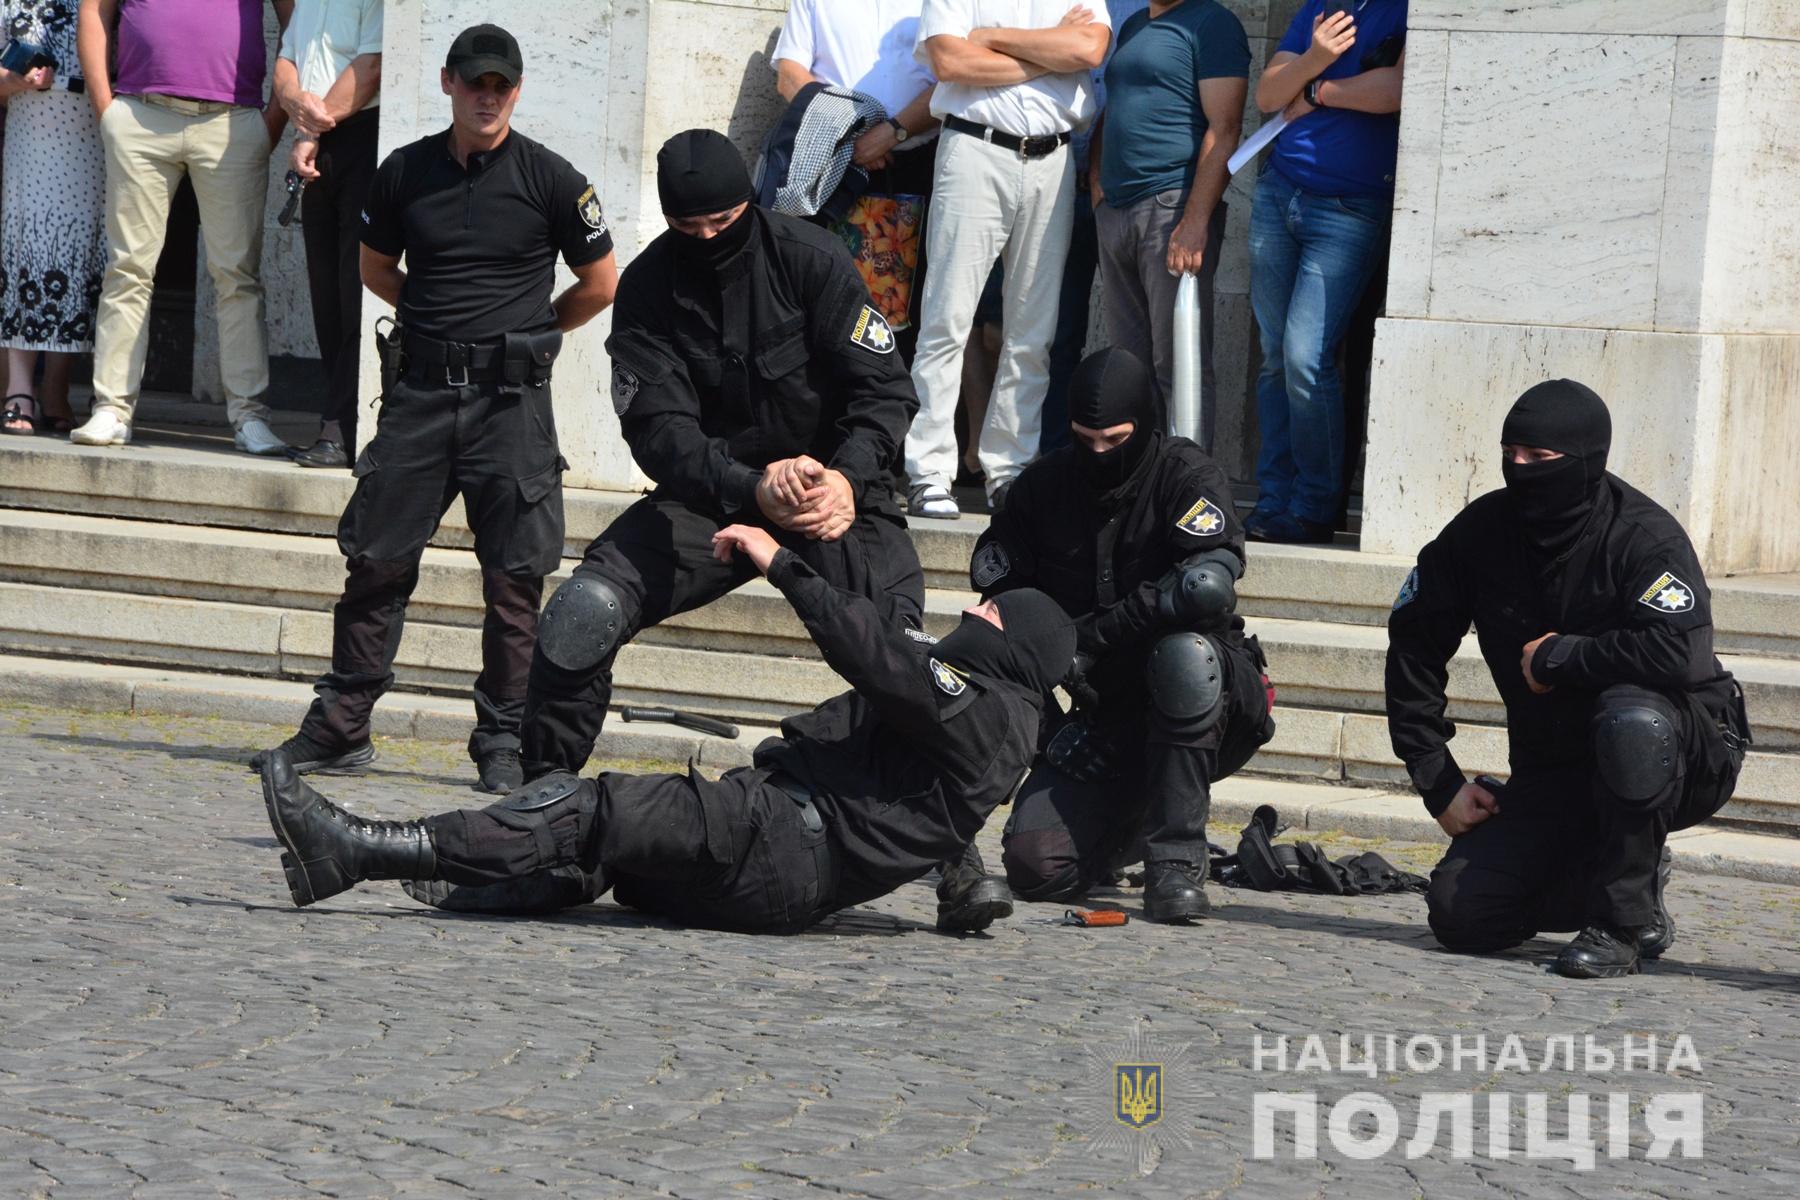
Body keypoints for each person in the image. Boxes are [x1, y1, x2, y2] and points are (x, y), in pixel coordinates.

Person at [258, 523, 1077, 937]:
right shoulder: (997, 720)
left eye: (986, 610)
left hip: (779, 841)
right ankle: (475, 879)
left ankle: (359, 848)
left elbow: (874, 652)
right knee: (613, 854)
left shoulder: (980, 706)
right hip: (783, 862)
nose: (969, 611)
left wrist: (777, 561)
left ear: (1011, 643)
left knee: (593, 811)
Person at [249, 24, 618, 793]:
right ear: (448, 83)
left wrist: (533, 331)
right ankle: (342, 726)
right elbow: (377, 269)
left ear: (516, 91)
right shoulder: (403, 172)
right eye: (475, 82)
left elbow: (600, 283)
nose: (488, 96)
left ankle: (504, 741)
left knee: (515, 580)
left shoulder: (554, 179)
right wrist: (438, 326)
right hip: (419, 395)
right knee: (376, 562)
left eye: (501, 85)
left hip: (511, 404)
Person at [1386, 380, 1751, 979]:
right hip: (1555, 767)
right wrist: (1438, 779)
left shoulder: (1641, 537)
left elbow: (1683, 654)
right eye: (1512, 453)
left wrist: (1565, 656)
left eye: (1541, 458)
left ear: (1587, 461)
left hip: (1682, 755)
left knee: (1632, 718)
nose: (1521, 469)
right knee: (1462, 913)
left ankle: (1621, 924)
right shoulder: (1480, 534)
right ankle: (1624, 878)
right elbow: (1413, 645)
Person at [971, 347, 1275, 921]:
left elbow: (1207, 586)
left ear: (1145, 423)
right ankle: (1130, 821)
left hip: (1209, 694)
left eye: (1115, 439)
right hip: (1101, 710)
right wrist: (1050, 730)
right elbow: (1003, 615)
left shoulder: (1185, 475)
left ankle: (1177, 863)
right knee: (1038, 867)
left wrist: (1090, 640)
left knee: (1184, 655)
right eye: (1086, 439)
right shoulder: (1041, 490)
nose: (1100, 453)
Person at [903, 0, 1111, 518]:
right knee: (946, 321)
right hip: (974, 149)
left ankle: (1010, 471)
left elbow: (1088, 47)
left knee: (1033, 332)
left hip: (1054, 157)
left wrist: (992, 35)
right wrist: (1049, 53)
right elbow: (950, 63)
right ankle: (928, 471)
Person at [71, 0, 292, 454]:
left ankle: (249, 416)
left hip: (232, 121)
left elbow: (297, 23)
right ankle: (111, 408)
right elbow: (94, 10)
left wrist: (274, 116)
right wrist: (106, 109)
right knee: (128, 269)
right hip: (139, 114)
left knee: (238, 276)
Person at [1246, 0, 1406, 543]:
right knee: (1275, 357)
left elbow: (1395, 91)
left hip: (1350, 205)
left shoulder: (1407, 9)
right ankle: (1274, 501)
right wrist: (1317, 55)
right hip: (1280, 191)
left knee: (1305, 358)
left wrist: (1315, 88)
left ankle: (1314, 507)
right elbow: (1268, 95)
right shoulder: (1321, 6)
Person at [1089, 0, 1247, 451]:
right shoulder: (1137, 23)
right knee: (1129, 365)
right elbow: (1114, 105)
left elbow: (1226, 127)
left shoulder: (1212, 23)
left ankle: (1186, 483)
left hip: (1171, 208)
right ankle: (1141, 483)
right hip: (1116, 209)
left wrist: (1195, 219)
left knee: (1178, 360)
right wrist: (1098, 183)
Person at [772, 0, 940, 363]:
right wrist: (848, 134)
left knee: (903, 317)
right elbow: (789, 74)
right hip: (827, 164)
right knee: (819, 301)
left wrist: (893, 132)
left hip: (914, 167)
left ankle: (890, 411)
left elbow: (952, 77)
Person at [273, 0, 383, 469]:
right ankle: (337, 422)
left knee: (353, 289)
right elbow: (286, 61)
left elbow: (372, 66)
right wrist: (294, 103)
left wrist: (308, 130)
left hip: (360, 136)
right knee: (325, 294)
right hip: (316, 141)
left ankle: (344, 427)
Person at [1040, 0, 1144, 457]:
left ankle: (1138, 459)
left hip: (1121, 192)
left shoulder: (1148, 9)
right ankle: (1056, 453)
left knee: (1139, 339)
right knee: (1054, 334)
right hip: (1049, 177)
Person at [1, 0, 102, 438]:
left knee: (78, 261)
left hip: (91, 133)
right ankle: (18, 390)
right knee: (25, 254)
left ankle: (57, 388)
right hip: (31, 134)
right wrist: (17, 80)